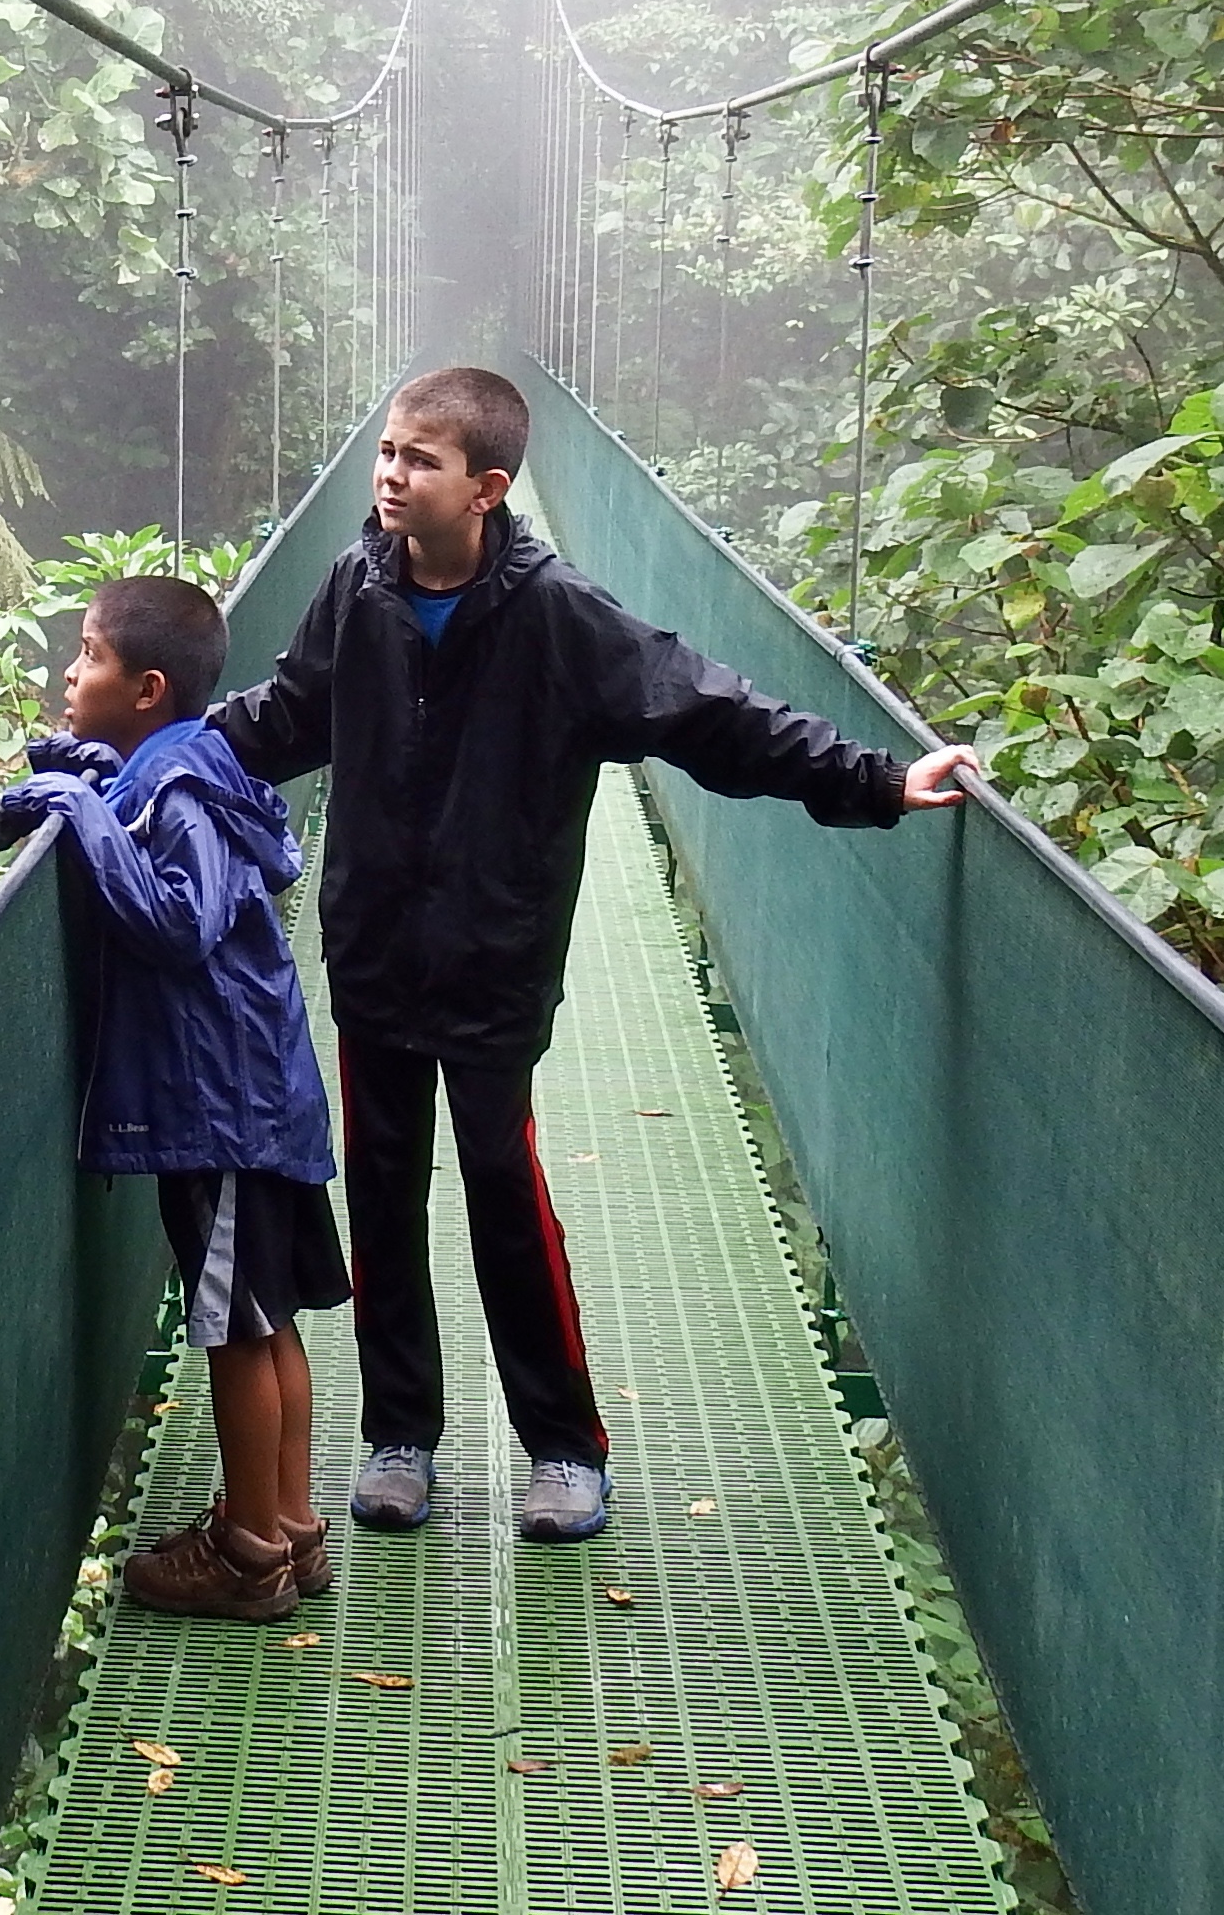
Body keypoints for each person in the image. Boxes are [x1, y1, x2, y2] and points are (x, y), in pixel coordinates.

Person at [208, 365, 979, 1546]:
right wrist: (148, 759)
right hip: (371, 950)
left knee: (502, 1191)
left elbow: (705, 712)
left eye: (419, 458)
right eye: (386, 453)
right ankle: (398, 1434)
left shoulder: (556, 612)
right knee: (379, 1188)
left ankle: (563, 1447)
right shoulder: (352, 589)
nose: (389, 475)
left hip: (492, 958)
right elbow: (285, 712)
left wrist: (873, 778)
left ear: (487, 488)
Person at [0, 573, 345, 1622]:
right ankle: (292, 1528)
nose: (67, 668)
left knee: (236, 1322)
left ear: (145, 686)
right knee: (269, 1320)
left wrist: (70, 800)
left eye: (85, 654)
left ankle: (245, 1552)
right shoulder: (186, 759)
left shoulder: (174, 783)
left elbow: (176, 920)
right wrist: (99, 778)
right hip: (253, 1083)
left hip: (216, 1095)